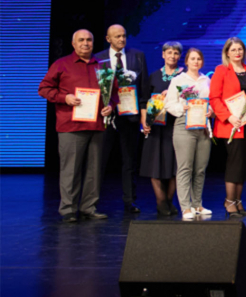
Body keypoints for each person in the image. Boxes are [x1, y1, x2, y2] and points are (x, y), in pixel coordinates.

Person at [39, 29, 114, 222]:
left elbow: (112, 93)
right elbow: (44, 88)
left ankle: (89, 207)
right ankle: (68, 209)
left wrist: (111, 106)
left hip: (97, 125)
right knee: (70, 170)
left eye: (89, 40)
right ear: (73, 44)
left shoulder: (102, 66)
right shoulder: (61, 64)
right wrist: (65, 97)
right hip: (71, 125)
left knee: (94, 170)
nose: (85, 43)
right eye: (81, 40)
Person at [95, 24, 149, 214]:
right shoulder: (98, 58)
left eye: (124, 36)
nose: (121, 39)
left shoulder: (137, 56)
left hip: (130, 116)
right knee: (99, 161)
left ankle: (129, 201)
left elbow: (143, 88)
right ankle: (92, 202)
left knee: (129, 161)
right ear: (108, 39)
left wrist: (143, 115)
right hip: (106, 117)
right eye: (117, 36)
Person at [210, 37, 246, 218]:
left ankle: (238, 201)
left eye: (240, 49)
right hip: (231, 125)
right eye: (233, 50)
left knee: (244, 165)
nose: (237, 52)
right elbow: (214, 98)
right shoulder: (221, 70)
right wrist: (228, 116)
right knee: (235, 164)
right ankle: (229, 202)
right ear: (227, 53)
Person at [165, 48, 212, 220]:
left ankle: (197, 204)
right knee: (185, 168)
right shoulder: (178, 80)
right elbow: (169, 104)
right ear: (186, 61)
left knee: (200, 169)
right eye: (192, 58)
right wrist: (182, 107)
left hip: (203, 128)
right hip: (184, 126)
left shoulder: (206, 80)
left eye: (199, 59)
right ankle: (185, 207)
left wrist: (211, 111)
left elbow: (211, 102)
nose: (196, 62)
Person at [139, 41, 183, 216]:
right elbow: (144, 101)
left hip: (176, 126)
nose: (172, 56)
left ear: (180, 56)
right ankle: (161, 202)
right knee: (154, 166)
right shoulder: (154, 76)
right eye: (169, 52)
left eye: (176, 53)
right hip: (156, 127)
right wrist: (145, 122)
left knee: (175, 167)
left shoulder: (183, 77)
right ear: (163, 55)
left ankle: (169, 201)